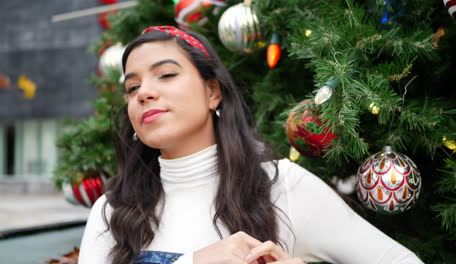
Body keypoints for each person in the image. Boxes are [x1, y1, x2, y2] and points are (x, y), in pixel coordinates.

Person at [78, 25, 424, 264]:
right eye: (132, 87)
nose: (145, 93)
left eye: (166, 75)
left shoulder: (281, 186)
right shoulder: (112, 210)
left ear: (213, 92)